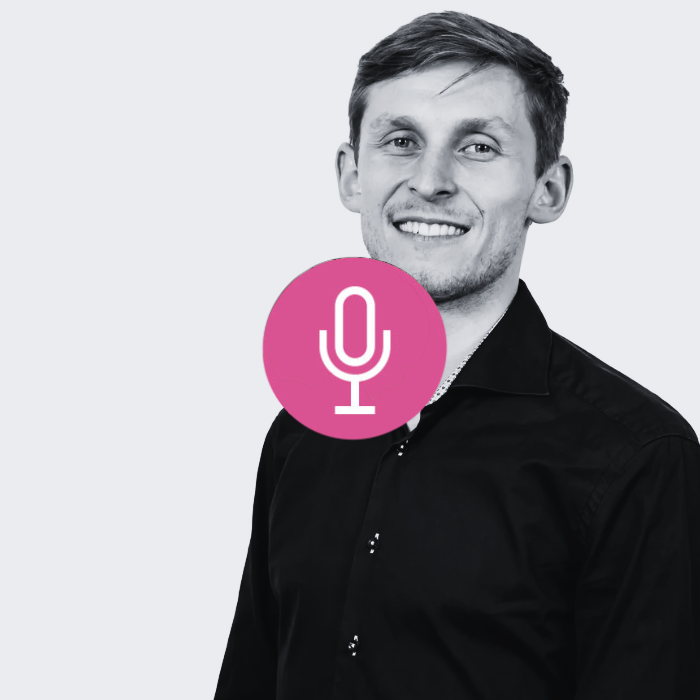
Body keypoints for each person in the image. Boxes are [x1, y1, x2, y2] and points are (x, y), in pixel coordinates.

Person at [214, 11, 700, 699]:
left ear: (548, 189)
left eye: (477, 146)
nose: (431, 180)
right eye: (401, 141)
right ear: (351, 176)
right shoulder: (304, 425)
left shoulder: (639, 457)